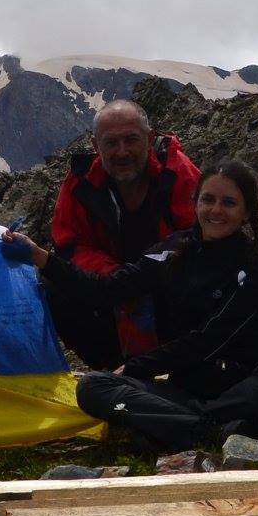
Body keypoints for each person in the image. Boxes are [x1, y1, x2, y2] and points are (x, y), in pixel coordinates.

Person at [5, 158, 258, 453]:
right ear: (195, 203)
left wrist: (135, 367)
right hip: (181, 391)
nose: (216, 210)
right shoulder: (174, 251)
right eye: (208, 200)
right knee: (92, 386)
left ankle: (180, 428)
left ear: (246, 212)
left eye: (229, 203)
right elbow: (106, 289)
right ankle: (211, 431)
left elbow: (207, 341)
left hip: (239, 389)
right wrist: (40, 256)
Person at [49, 100, 203, 362]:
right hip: (110, 290)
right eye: (111, 143)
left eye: (131, 140)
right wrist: (113, 277)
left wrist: (138, 277)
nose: (122, 152)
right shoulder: (81, 183)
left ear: (149, 137)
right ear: (96, 147)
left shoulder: (177, 172)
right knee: (54, 283)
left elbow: (199, 234)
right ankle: (111, 369)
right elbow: (69, 244)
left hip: (171, 286)